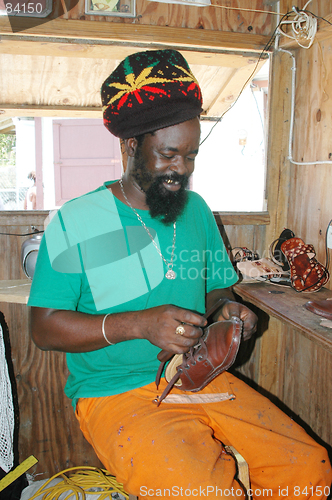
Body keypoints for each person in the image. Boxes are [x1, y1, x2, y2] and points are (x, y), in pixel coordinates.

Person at [27, 50, 331, 499]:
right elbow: (43, 327)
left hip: (197, 374)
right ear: (131, 146)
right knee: (201, 491)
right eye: (169, 155)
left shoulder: (196, 212)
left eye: (191, 155)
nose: (183, 170)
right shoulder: (78, 219)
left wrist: (229, 309)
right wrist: (139, 324)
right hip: (113, 391)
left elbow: (216, 290)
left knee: (308, 467)